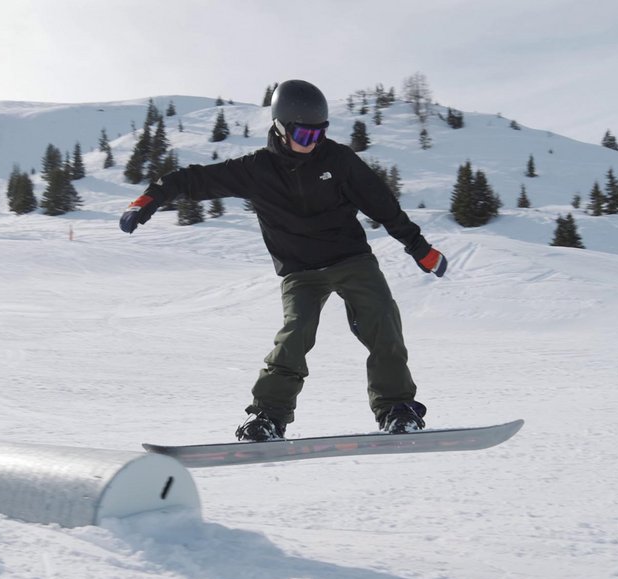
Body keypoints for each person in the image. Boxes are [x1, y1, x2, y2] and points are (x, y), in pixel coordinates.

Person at [119, 79, 448, 442]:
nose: (314, 143)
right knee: (295, 335)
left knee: (383, 321)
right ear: (280, 126)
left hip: (351, 259)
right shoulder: (256, 170)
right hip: (300, 272)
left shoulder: (338, 161)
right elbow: (192, 180)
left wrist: (420, 249)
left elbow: (383, 205)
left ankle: (397, 408)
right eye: (306, 136)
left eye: (320, 134)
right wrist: (148, 200)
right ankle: (267, 416)